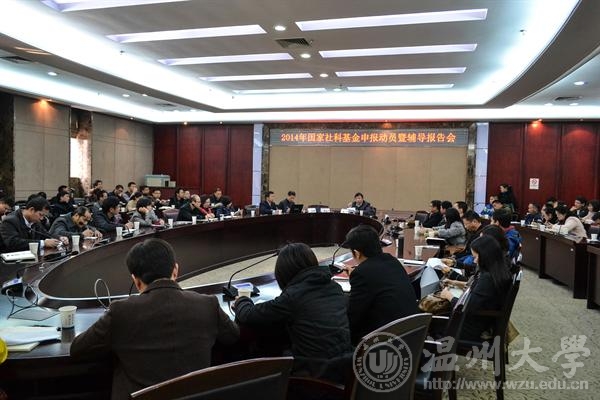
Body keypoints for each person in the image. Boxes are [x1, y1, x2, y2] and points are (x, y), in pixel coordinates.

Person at [70, 238, 239, 400]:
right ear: (175, 270)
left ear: (136, 281)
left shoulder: (121, 311)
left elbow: (78, 349)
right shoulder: (207, 304)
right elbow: (233, 336)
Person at [233, 243, 353, 383]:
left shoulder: (294, 296)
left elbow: (248, 315)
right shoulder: (334, 287)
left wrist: (241, 300)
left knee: (266, 352)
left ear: (284, 271)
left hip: (317, 374)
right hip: (346, 366)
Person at [343, 225, 418, 344]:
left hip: (383, 342)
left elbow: (353, 315)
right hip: (411, 335)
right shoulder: (392, 261)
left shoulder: (362, 273)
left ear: (357, 253)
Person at [440, 235, 512, 341]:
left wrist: (448, 296)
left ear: (486, 256)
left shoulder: (487, 278)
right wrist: (454, 283)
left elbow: (466, 308)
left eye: (475, 257)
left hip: (471, 327)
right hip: (483, 321)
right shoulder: (498, 270)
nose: (474, 261)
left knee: (431, 320)